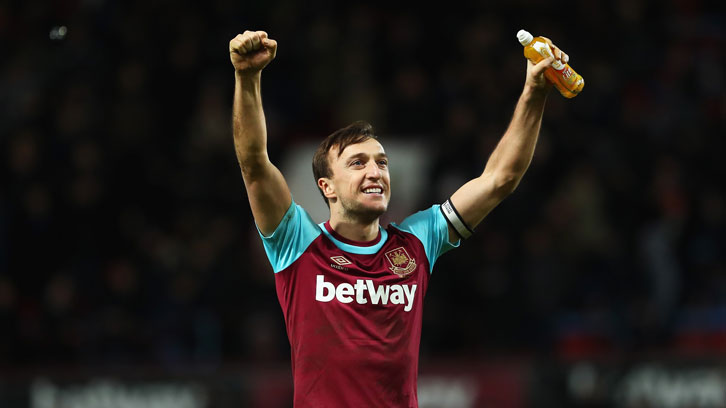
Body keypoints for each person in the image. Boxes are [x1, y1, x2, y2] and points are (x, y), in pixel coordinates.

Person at [229, 29, 568, 407]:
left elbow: (499, 179)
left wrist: (534, 91)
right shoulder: (297, 242)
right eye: (358, 163)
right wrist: (247, 77)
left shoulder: (417, 241)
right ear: (327, 186)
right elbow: (255, 165)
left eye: (382, 163)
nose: (375, 172)